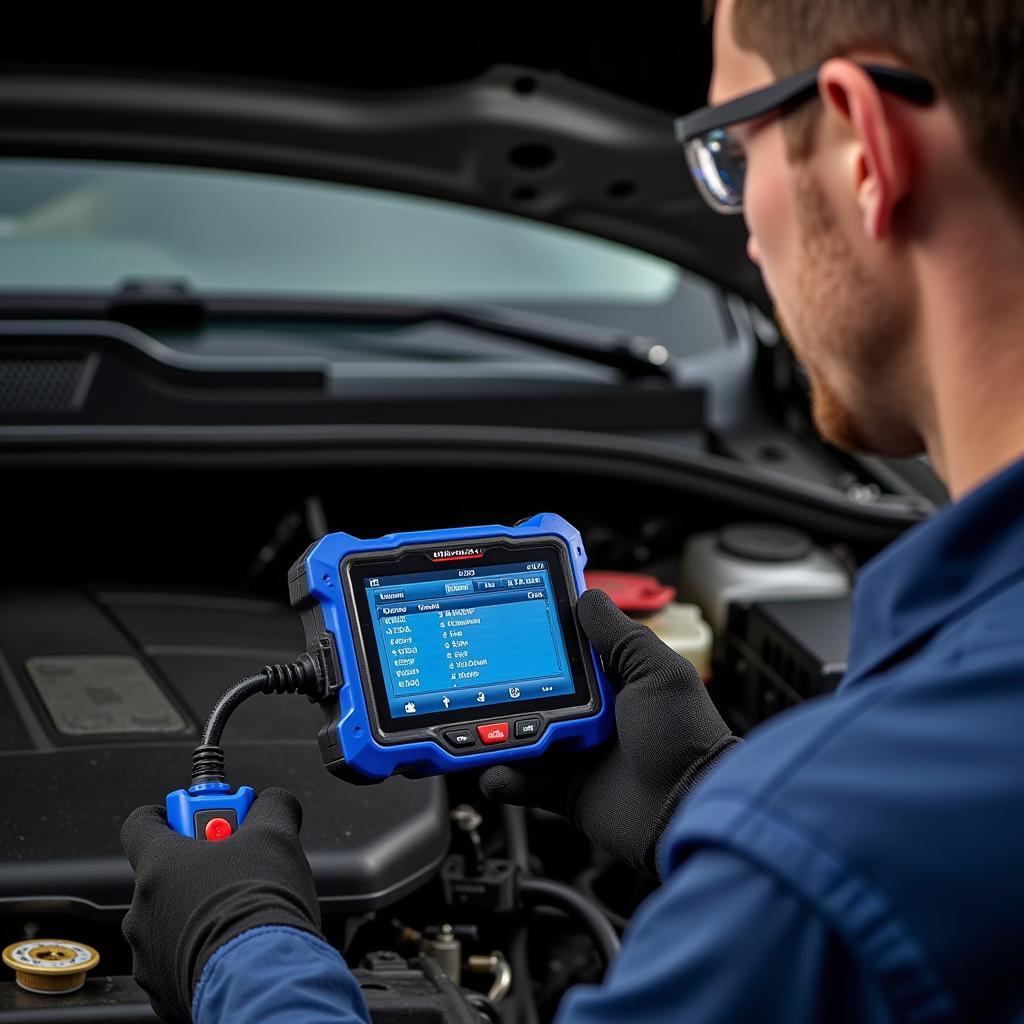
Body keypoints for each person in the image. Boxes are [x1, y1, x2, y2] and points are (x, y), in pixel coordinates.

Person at [120, 0, 1024, 1020]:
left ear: (866, 147)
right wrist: (703, 798)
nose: (742, 229)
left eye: (727, 153)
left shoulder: (828, 872)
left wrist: (240, 949)